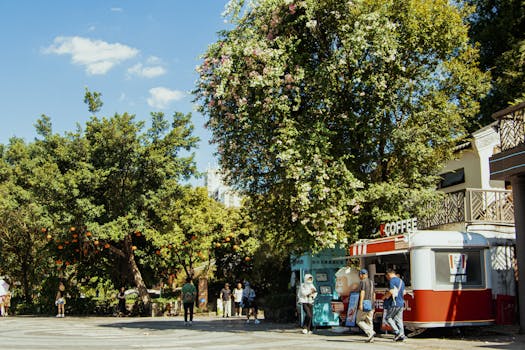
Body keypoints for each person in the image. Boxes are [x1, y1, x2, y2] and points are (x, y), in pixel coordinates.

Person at [383, 268, 406, 341]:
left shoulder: (392, 280)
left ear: (389, 274)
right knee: (399, 320)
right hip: (401, 303)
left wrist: (385, 297)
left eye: (386, 276)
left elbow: (391, 291)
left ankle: (397, 332)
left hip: (394, 303)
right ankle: (402, 335)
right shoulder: (401, 281)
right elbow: (404, 292)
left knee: (388, 318)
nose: (387, 278)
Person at [356, 269, 375, 342]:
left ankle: (370, 332)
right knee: (369, 320)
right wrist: (374, 304)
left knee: (359, 320)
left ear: (361, 275)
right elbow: (374, 294)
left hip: (365, 303)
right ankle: (371, 337)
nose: (360, 276)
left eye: (360, 275)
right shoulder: (371, 282)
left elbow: (362, 292)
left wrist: (360, 303)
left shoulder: (363, 282)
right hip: (371, 304)